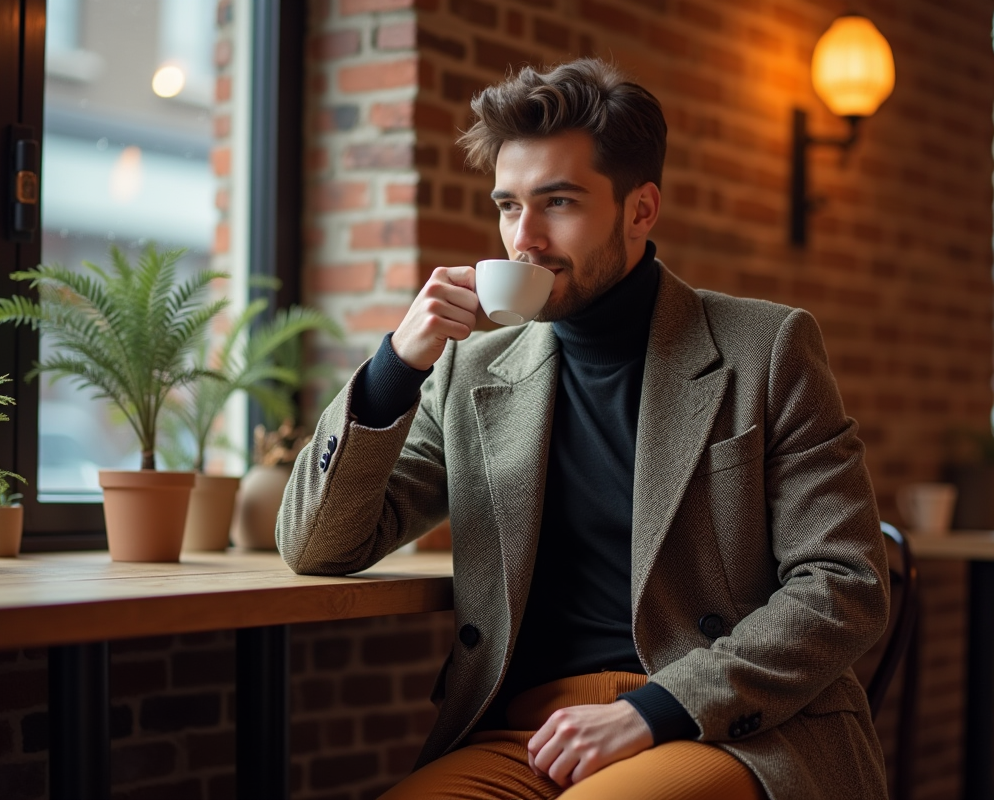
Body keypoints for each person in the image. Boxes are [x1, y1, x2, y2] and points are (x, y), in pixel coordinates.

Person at [277, 58, 890, 800]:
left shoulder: (766, 348)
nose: (523, 239)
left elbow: (844, 583)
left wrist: (655, 709)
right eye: (508, 206)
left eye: (557, 202)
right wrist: (394, 368)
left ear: (641, 209)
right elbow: (318, 546)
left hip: (726, 725)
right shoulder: (472, 373)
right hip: (528, 737)